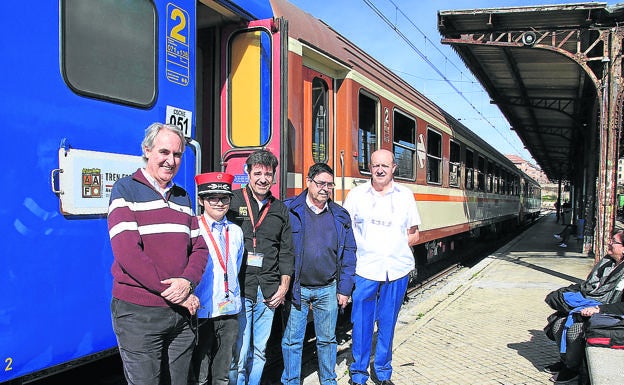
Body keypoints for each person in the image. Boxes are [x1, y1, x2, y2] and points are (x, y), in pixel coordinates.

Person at [107, 122, 208, 385]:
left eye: (177, 155)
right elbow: (128, 253)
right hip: (139, 314)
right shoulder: (125, 190)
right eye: (164, 152)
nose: (170, 160)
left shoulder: (183, 198)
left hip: (180, 315)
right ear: (147, 150)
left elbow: (199, 248)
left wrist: (187, 283)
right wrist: (176, 294)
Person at [343, 149, 421, 385]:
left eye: (384, 166)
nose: (379, 170)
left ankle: (383, 372)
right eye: (375, 165)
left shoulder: (405, 195)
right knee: (362, 324)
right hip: (365, 269)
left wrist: (393, 246)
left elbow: (414, 234)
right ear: (370, 167)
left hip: (396, 270)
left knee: (387, 323)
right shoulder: (356, 195)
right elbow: (346, 230)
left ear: (393, 168)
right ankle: (358, 375)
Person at [281, 163, 357, 385]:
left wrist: (344, 289)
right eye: (320, 183)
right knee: (292, 341)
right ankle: (291, 381)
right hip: (297, 289)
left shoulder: (340, 215)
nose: (325, 188)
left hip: (327, 288)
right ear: (308, 182)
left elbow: (349, 253)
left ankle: (328, 380)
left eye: (329, 184)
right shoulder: (289, 210)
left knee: (327, 340)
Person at [227, 149, 295, 385]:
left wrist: (284, 287)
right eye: (257, 173)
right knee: (241, 350)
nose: (263, 179)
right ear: (247, 173)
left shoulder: (280, 209)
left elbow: (286, 251)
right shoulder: (233, 201)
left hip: (269, 291)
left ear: (274, 176)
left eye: (268, 174)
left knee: (260, 350)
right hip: (242, 287)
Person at [543, 230, 624, 384]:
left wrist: (600, 309)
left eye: (614, 241)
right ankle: (567, 360)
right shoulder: (607, 262)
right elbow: (589, 287)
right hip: (592, 305)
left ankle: (573, 368)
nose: (609, 243)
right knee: (559, 323)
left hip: (611, 314)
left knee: (575, 330)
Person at [189, 172, 245, 385]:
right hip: (203, 310)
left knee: (222, 372)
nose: (220, 203)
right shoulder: (194, 229)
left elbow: (235, 265)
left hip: (229, 311)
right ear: (202, 200)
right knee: (201, 372)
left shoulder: (236, 232)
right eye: (213, 198)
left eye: (224, 198)